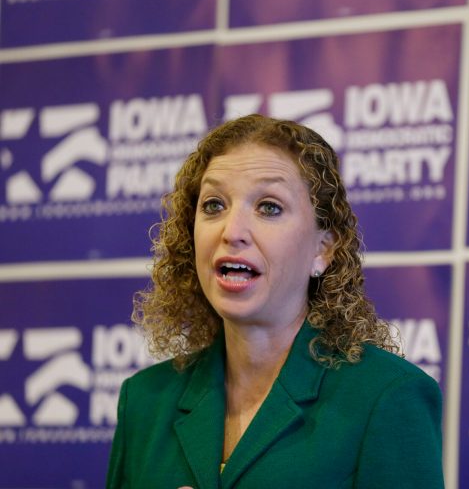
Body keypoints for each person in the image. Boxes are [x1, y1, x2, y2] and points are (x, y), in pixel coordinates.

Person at [106, 114, 444, 488]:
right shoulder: (145, 400)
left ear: (323, 249)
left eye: (269, 207)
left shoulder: (388, 398)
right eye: (214, 205)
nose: (231, 232)